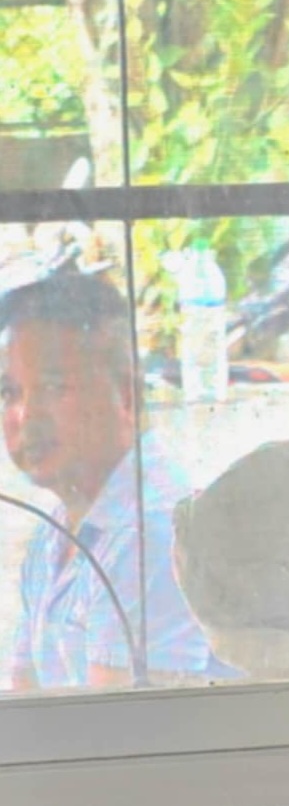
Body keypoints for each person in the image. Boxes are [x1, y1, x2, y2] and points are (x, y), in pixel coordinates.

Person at [0, 272, 227, 689]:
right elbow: (25, 698)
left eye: (53, 387)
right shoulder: (53, 535)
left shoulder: (152, 534)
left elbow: (118, 724)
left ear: (126, 396)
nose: (26, 416)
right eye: (9, 393)